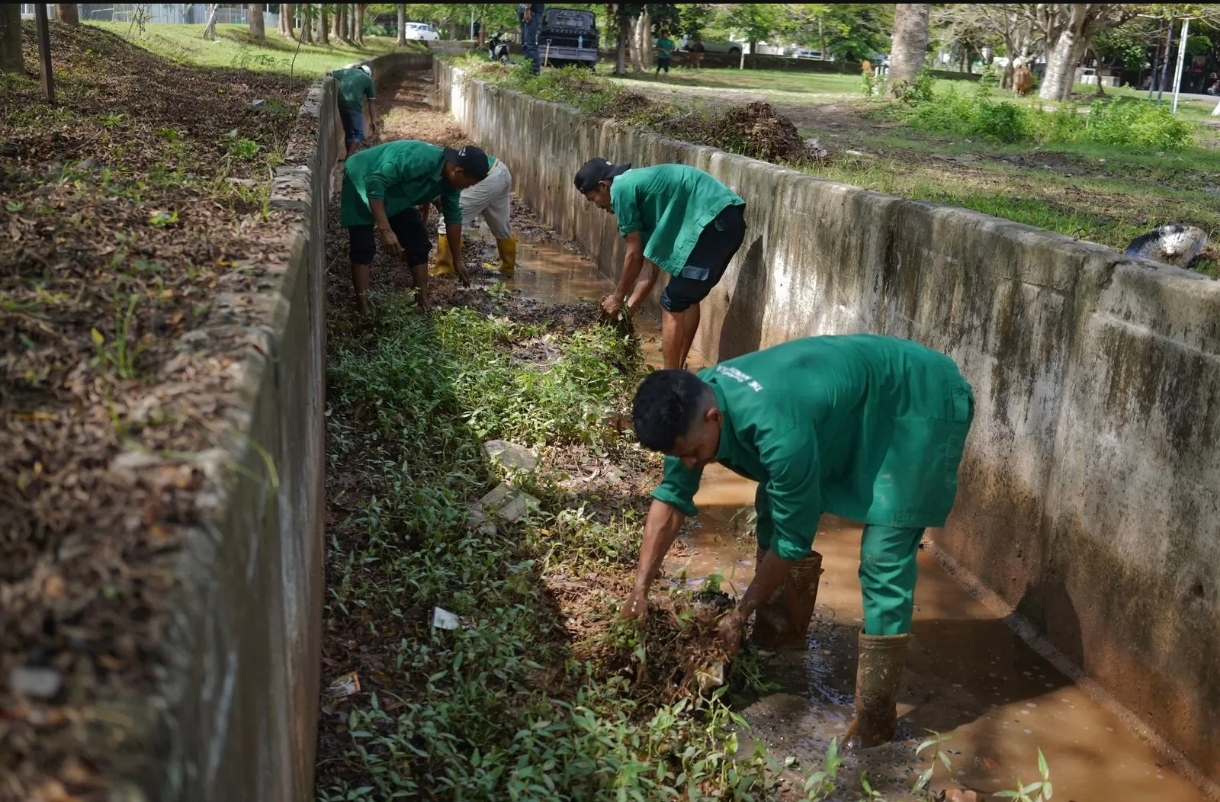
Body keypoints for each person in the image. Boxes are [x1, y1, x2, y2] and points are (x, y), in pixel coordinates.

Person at [621, 334, 975, 748]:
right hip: (853, 397)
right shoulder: (687, 404)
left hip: (918, 400)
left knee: (884, 554)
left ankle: (875, 720)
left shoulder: (776, 429)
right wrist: (639, 589)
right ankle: (780, 638)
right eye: (681, 455)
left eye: (694, 453)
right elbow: (671, 497)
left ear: (714, 417)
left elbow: (793, 539)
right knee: (775, 502)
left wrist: (739, 614)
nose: (690, 464)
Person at [574, 158, 746, 371]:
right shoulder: (639, 190)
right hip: (725, 220)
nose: (598, 206)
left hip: (714, 222)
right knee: (686, 297)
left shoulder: (620, 190)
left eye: (594, 200)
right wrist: (628, 313)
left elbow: (634, 255)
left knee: (672, 301)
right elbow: (649, 267)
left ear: (603, 185)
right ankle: (678, 371)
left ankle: (668, 380)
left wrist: (617, 298)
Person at [340, 140, 489, 315]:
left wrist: (457, 260)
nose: (468, 188)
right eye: (469, 183)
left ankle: (422, 299)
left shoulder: (451, 181)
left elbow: (453, 217)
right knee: (363, 247)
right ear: (459, 171)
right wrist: (385, 230)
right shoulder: (420, 160)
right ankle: (363, 308)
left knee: (418, 242)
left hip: (398, 192)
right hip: (363, 175)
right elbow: (375, 182)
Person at [428, 152, 517, 278]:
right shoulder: (442, 160)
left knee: (449, 218)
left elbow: (433, 207)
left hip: (486, 177)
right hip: (500, 169)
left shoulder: (434, 171)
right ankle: (507, 267)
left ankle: (444, 268)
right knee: (500, 223)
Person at [331, 63, 377, 159]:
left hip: (341, 103)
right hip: (354, 105)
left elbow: (330, 73)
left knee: (348, 132)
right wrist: (373, 120)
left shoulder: (347, 72)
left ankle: (348, 157)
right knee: (359, 134)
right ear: (368, 74)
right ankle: (349, 157)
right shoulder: (367, 79)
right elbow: (371, 101)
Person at [518, 3, 545, 76]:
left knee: (529, 43)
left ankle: (534, 73)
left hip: (532, 10)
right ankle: (528, 70)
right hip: (523, 9)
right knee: (525, 44)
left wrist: (527, 8)